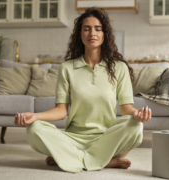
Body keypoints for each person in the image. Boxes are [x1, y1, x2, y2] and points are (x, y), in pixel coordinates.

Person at [14, 7, 152, 174]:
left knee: (136, 126)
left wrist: (137, 114)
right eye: (86, 29)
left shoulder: (119, 68)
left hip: (107, 138)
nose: (92, 33)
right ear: (79, 35)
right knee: (34, 129)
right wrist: (35, 116)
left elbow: (126, 109)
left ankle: (67, 157)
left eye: (97, 29)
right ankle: (104, 161)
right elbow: (61, 110)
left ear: (104, 34)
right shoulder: (66, 68)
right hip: (73, 138)